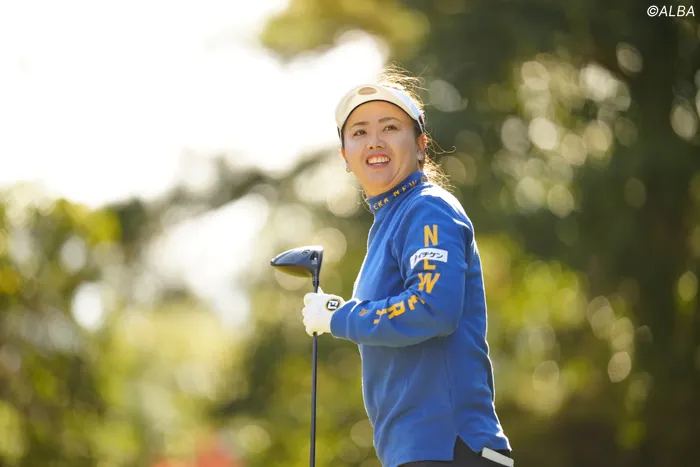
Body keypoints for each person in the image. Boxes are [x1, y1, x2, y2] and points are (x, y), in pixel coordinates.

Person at [300, 67, 513, 467]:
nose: (374, 141)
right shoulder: (390, 222)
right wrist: (341, 313)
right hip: (421, 453)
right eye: (359, 132)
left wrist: (339, 316)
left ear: (420, 146)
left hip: (452, 449)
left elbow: (432, 308)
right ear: (345, 157)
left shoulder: (427, 208)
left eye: (390, 127)